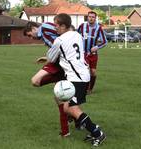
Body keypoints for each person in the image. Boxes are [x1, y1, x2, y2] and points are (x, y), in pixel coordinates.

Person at [47, 13, 106, 147]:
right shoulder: (77, 35)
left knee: (72, 109)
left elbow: (51, 58)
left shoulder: (59, 40)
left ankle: (97, 132)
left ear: (63, 26)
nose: (55, 28)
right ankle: (87, 126)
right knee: (67, 106)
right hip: (81, 74)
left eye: (56, 25)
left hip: (76, 78)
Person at [24, 22, 70, 137]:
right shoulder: (43, 36)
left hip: (60, 62)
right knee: (59, 97)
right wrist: (46, 57)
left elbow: (64, 33)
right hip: (60, 63)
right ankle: (66, 131)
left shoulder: (44, 27)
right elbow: (56, 45)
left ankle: (73, 116)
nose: (31, 38)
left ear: (34, 28)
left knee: (35, 81)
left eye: (30, 35)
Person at [78, 11, 107, 94]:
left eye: (93, 17)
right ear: (87, 17)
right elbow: (76, 35)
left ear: (95, 18)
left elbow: (105, 42)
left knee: (93, 72)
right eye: (89, 16)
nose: (91, 18)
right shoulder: (82, 26)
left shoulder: (99, 28)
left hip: (93, 54)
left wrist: (97, 47)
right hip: (83, 53)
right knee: (85, 71)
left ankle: (90, 89)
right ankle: (84, 88)